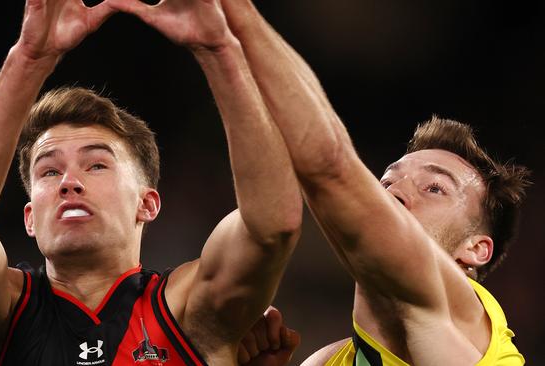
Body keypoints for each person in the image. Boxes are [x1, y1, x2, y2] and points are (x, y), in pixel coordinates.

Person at [0, 0, 304, 364]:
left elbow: (271, 228)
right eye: (49, 171)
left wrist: (218, 50)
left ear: (148, 203)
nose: (69, 182)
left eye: (96, 165)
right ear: (30, 218)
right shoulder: (4, 312)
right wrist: (29, 59)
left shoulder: (190, 309)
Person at [215, 0, 530, 365]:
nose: (395, 193)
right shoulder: (325, 362)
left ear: (476, 250)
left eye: (434, 188)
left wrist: (229, 30)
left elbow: (330, 169)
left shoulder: (463, 323)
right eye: (386, 183)